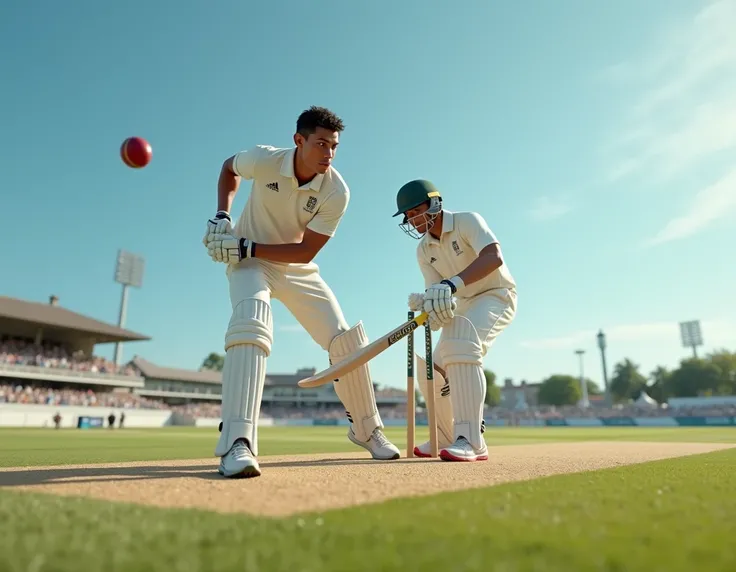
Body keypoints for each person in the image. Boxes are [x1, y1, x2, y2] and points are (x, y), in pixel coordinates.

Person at [203, 106, 400, 478]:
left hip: (292, 265)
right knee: (251, 321)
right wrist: (222, 216)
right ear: (299, 141)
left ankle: (367, 430)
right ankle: (237, 444)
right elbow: (229, 167)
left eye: (334, 146)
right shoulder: (265, 160)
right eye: (321, 144)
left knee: (345, 342)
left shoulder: (336, 191)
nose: (329, 153)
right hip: (250, 265)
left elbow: (305, 251)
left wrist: (246, 246)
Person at [393, 179, 517, 462]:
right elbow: (438, 293)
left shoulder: (466, 221)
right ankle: (446, 435)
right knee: (434, 368)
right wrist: (428, 304)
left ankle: (471, 440)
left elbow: (493, 257)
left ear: (435, 203)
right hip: (463, 303)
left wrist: (450, 285)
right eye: (408, 217)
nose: (414, 221)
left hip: (496, 295)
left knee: (461, 346)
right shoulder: (423, 250)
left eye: (417, 211)